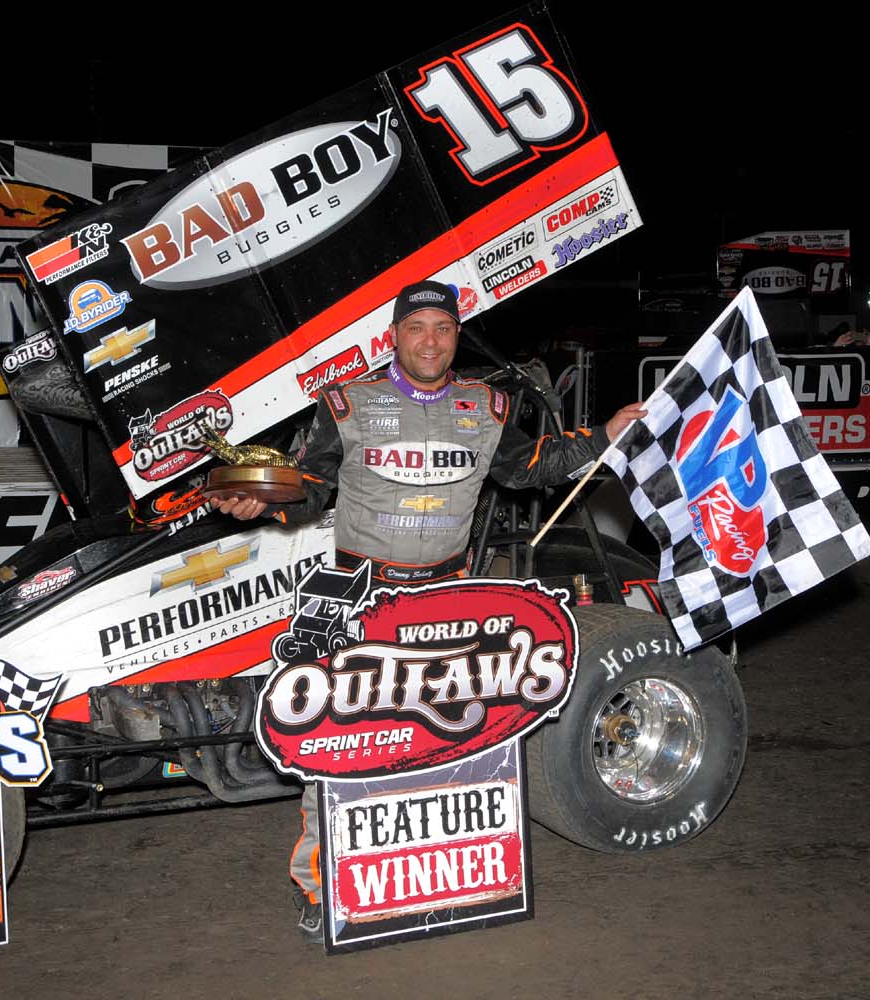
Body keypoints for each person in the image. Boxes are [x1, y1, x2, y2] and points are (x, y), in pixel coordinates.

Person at [218, 279, 646, 941]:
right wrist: (265, 499)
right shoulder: (347, 403)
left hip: (449, 596)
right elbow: (307, 488)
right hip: (360, 597)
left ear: (454, 337)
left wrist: (602, 435)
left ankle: (440, 877)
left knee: (449, 737)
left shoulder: (489, 405)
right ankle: (318, 886)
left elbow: (529, 467)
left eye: (443, 329)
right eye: (417, 327)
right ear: (394, 335)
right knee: (339, 744)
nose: (430, 341)